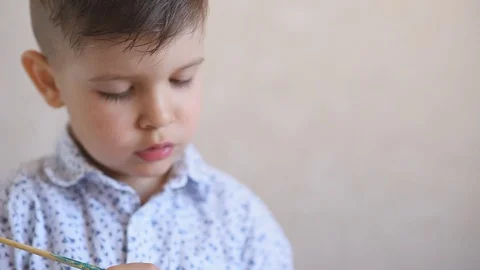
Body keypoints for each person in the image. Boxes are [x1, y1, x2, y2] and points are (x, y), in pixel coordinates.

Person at [0, 1, 293, 270]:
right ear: (49, 82)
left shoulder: (242, 221)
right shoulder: (14, 212)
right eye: (119, 92)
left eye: (182, 80)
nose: (159, 117)